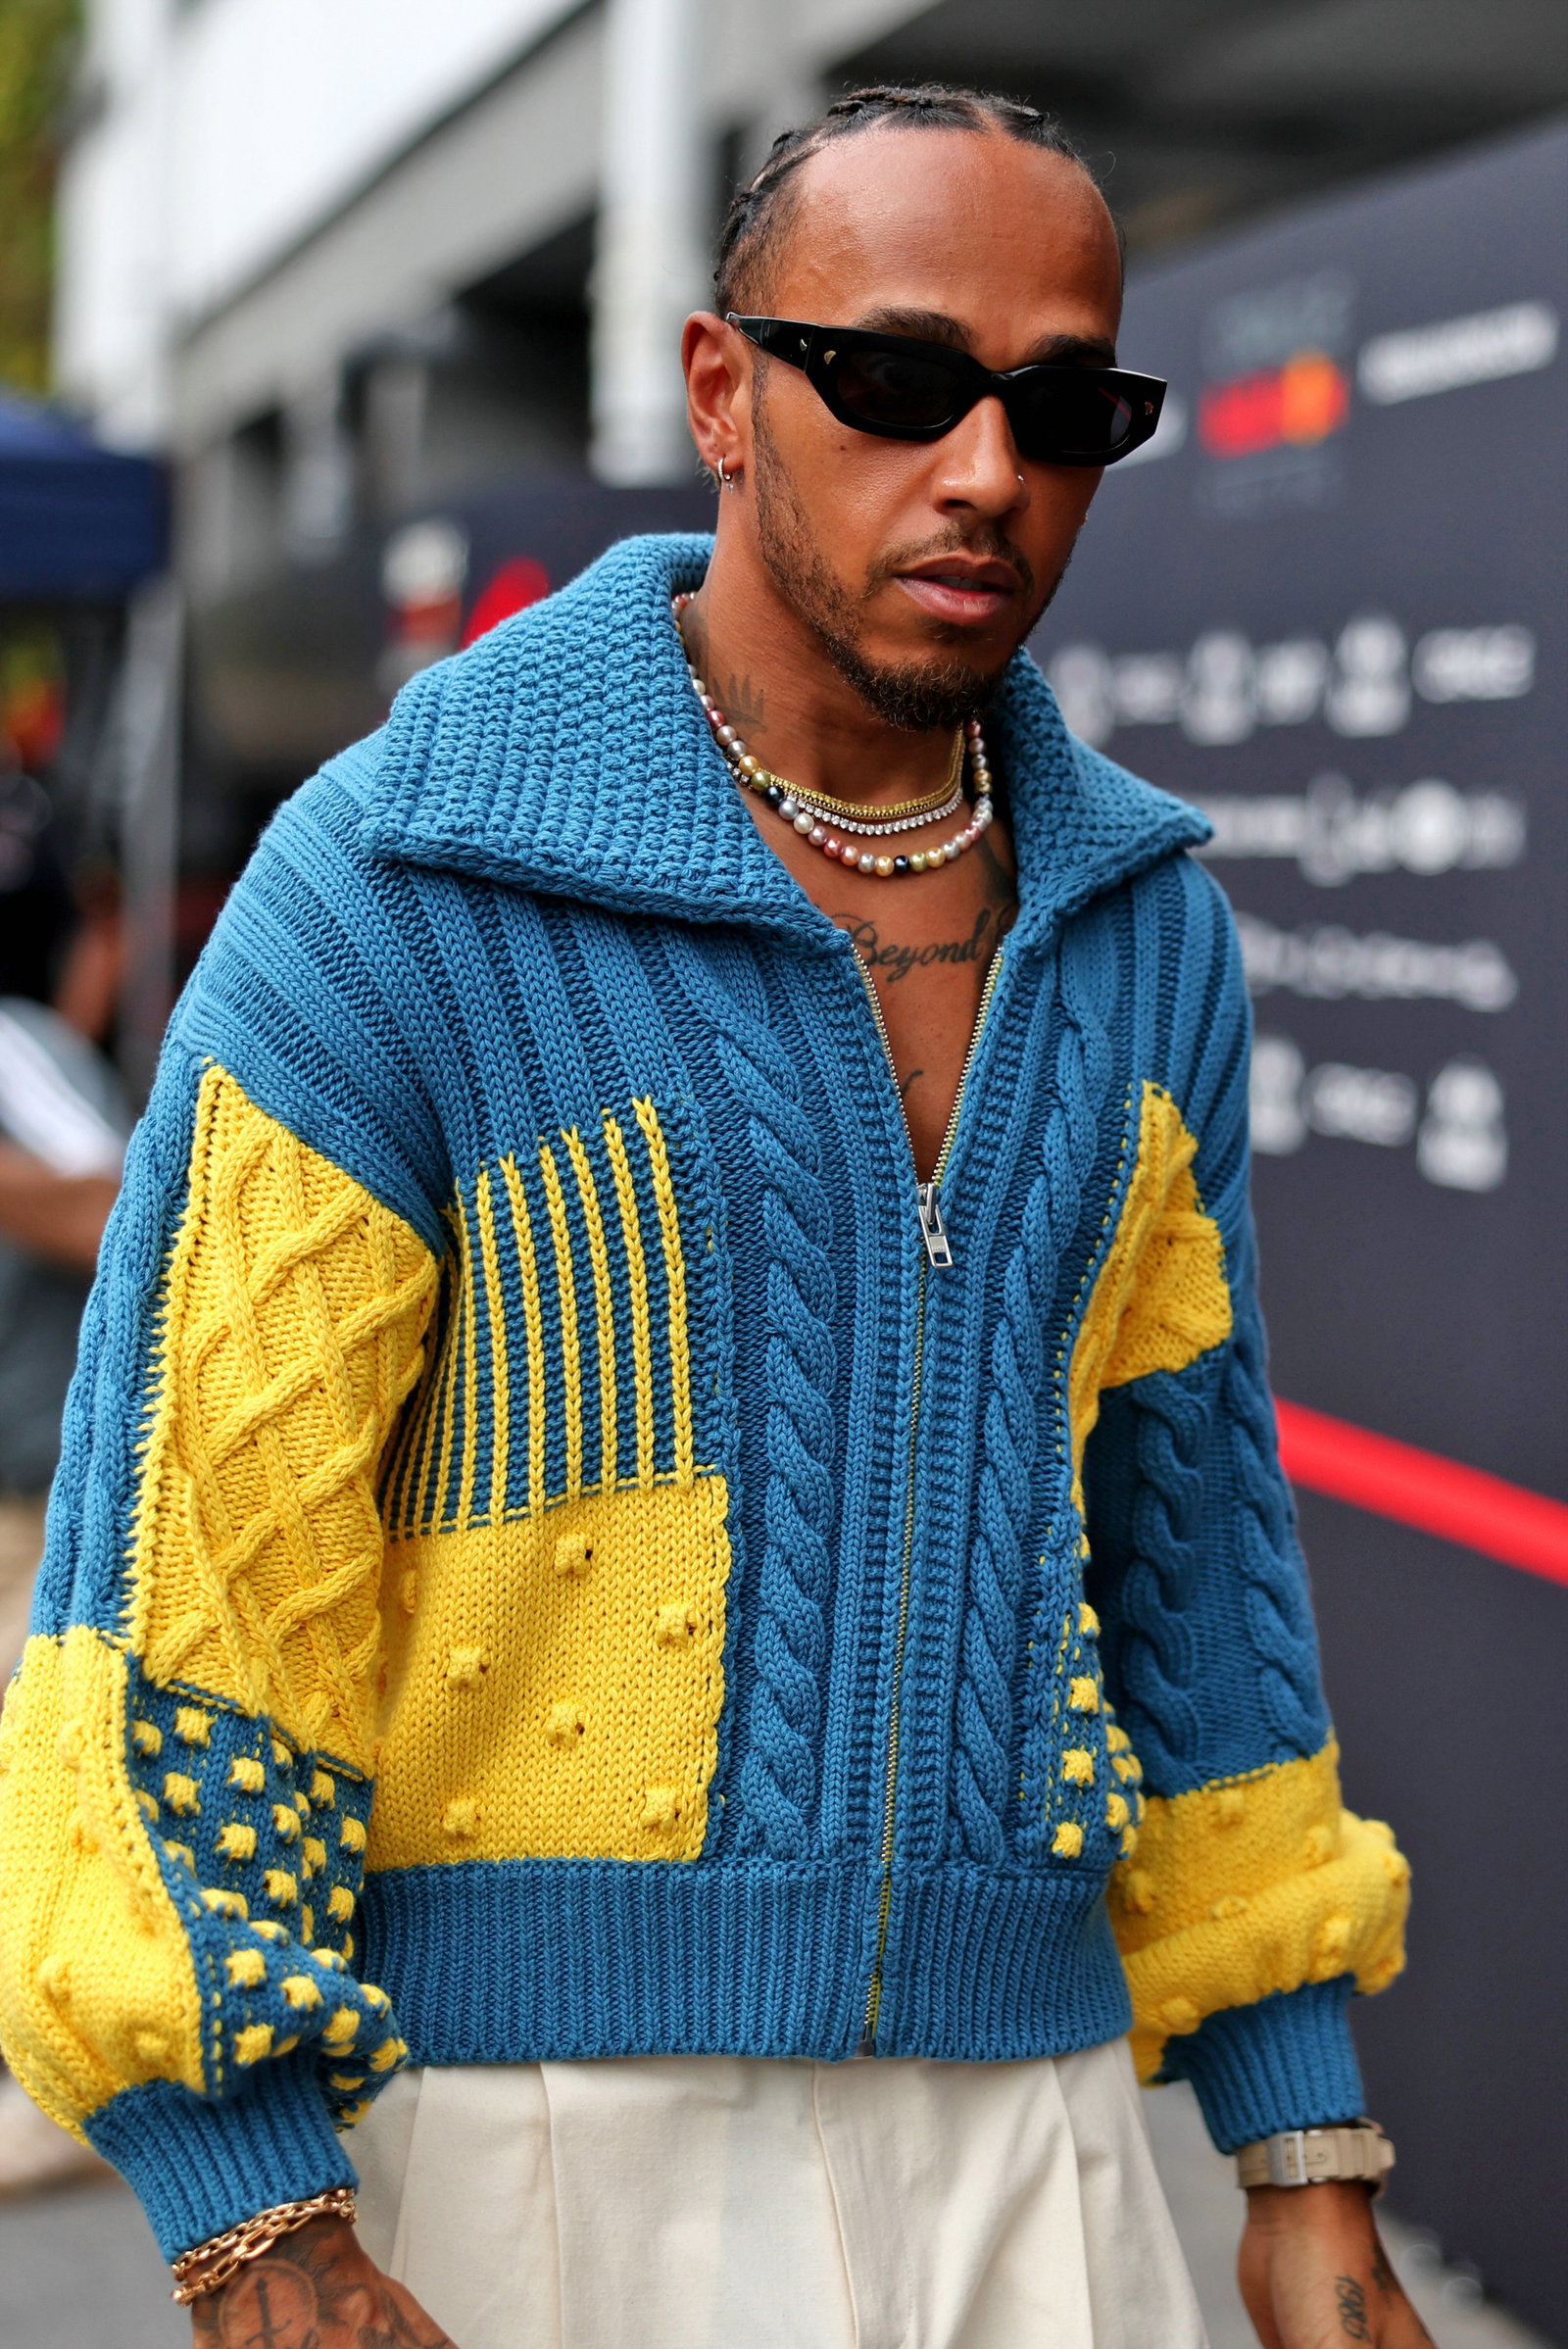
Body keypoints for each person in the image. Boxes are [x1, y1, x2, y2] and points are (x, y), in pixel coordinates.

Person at [0, 83, 1423, 2349]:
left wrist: (1300, 2138)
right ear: (717, 389)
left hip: (1038, 2138)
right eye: (891, 377)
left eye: (1063, 405)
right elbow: (190, 1578)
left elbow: (1192, 1556)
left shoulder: (1140, 933)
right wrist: (254, 2209)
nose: (981, 466)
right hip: (526, 2143)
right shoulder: (401, 887)